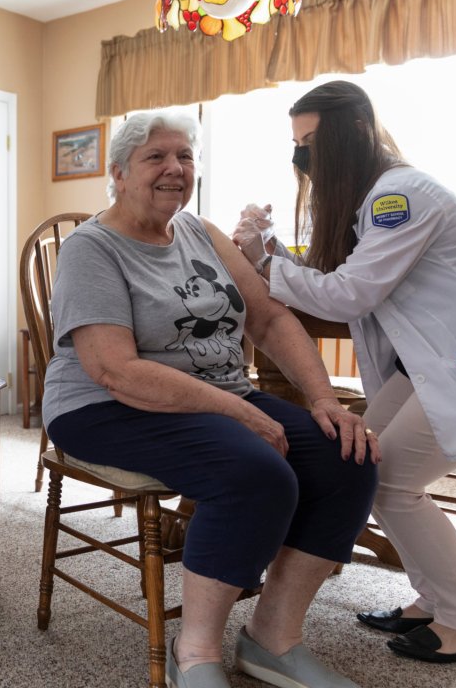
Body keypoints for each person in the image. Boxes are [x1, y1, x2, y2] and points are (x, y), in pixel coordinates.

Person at [43, 111, 379, 688]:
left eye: (186, 157)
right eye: (157, 157)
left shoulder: (200, 231)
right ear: (119, 173)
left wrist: (324, 399)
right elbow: (115, 369)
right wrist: (242, 412)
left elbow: (270, 317)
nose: (175, 168)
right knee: (254, 472)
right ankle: (194, 652)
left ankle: (272, 638)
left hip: (219, 393)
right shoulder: (90, 249)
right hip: (102, 405)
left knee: (348, 457)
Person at [234, 80, 456, 664]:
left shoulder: (401, 196)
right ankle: (433, 600)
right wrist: (272, 250)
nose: (303, 158)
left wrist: (264, 262)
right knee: (364, 463)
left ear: (357, 134)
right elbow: (349, 281)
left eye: (312, 142)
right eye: (297, 143)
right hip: (443, 365)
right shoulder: (379, 198)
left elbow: (351, 294)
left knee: (389, 481)